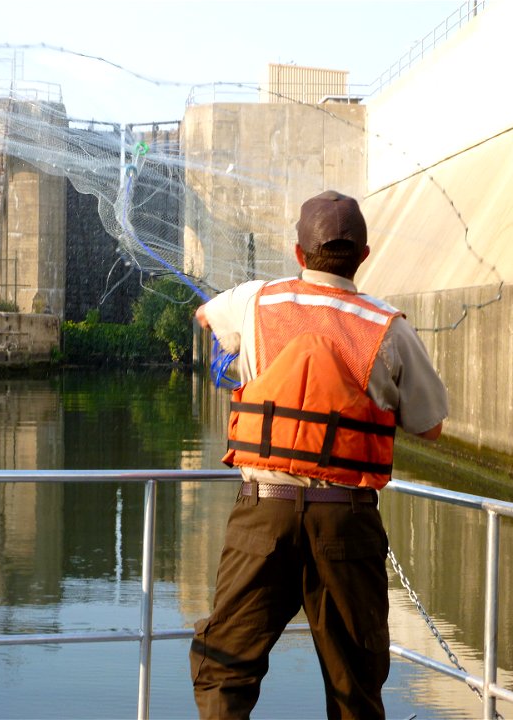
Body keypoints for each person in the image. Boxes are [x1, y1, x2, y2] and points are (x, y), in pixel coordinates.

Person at [189, 190, 448, 720]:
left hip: (264, 513)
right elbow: (432, 426)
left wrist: (234, 342)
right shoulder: (388, 327)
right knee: (355, 684)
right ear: (364, 256)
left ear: (299, 254)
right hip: (347, 523)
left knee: (226, 669)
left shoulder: (255, 300)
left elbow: (203, 316)